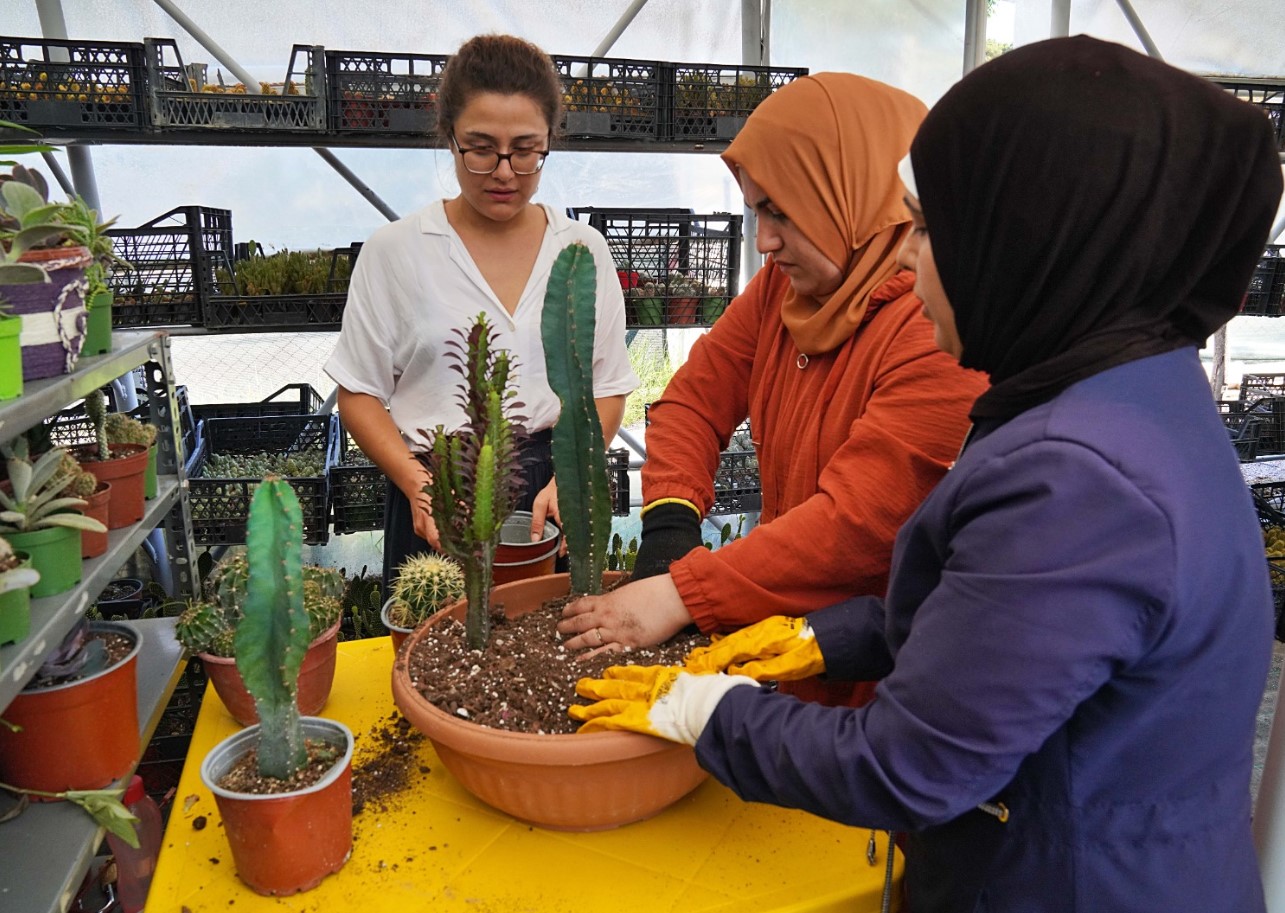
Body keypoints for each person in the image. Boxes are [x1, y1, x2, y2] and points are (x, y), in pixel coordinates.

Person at [568, 36, 1283, 912]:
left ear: (1024, 237)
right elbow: (998, 618)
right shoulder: (1129, 385)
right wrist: (820, 638)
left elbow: (910, 764)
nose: (908, 257)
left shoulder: (1078, 480)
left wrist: (704, 711)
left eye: (932, 226)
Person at [558, 71, 989, 707]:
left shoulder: (935, 327)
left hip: (883, 681)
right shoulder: (785, 291)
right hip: (784, 646)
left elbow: (856, 525)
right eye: (757, 210)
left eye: (781, 212)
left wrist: (684, 594)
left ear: (853, 195)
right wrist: (670, 528)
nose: (763, 240)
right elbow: (693, 401)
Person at [325, 34, 637, 587]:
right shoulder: (396, 249)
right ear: (449, 138)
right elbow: (359, 392)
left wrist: (571, 475)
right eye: (481, 146)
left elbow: (608, 385)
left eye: (525, 148)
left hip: (550, 483)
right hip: (436, 484)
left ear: (549, 141)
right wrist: (420, 487)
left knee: (549, 657)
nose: (504, 171)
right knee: (437, 654)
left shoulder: (581, 251)